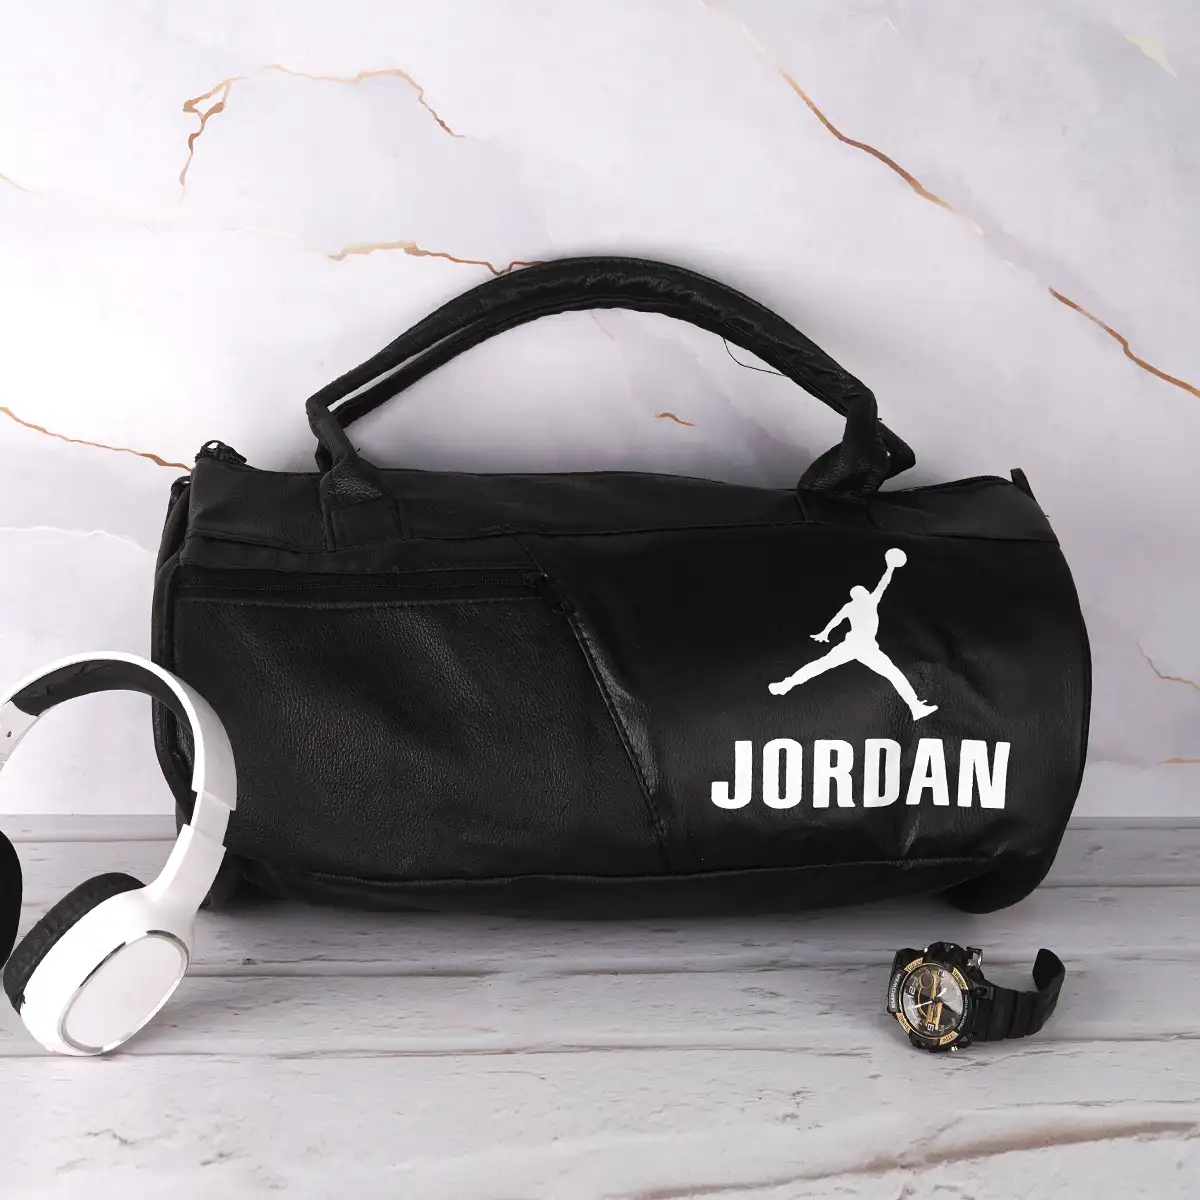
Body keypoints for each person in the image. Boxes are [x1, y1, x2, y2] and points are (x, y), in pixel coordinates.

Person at [768, 548, 937, 721]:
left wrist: (825, 632)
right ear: (860, 594)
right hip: (860, 646)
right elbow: (882, 584)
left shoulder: (854, 605)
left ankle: (785, 685)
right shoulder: (869, 601)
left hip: (862, 647)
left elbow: (836, 619)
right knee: (893, 674)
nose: (866, 592)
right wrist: (890, 567)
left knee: (821, 665)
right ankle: (915, 706)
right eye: (863, 591)